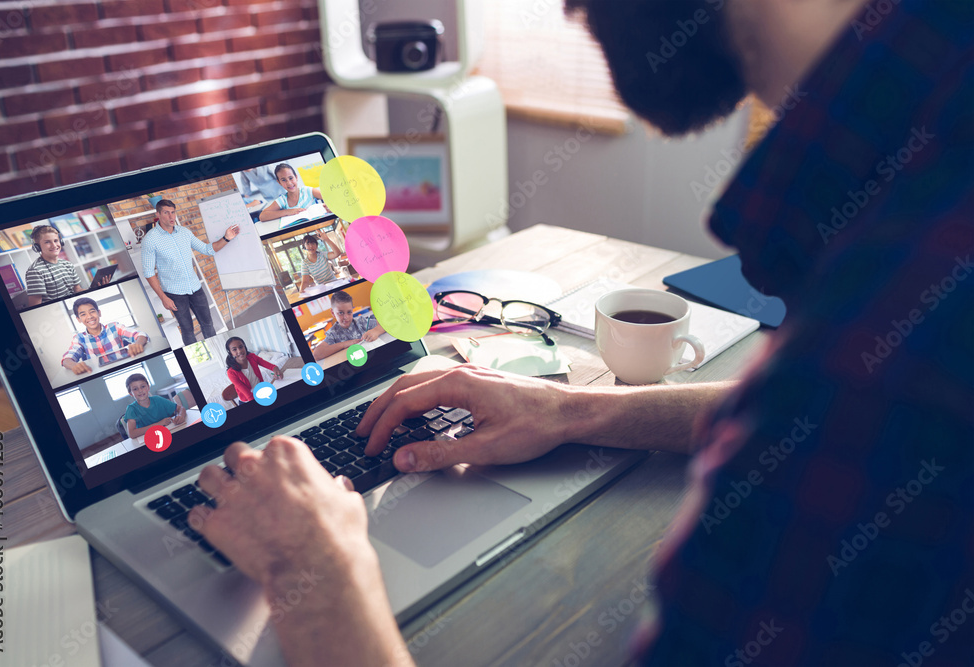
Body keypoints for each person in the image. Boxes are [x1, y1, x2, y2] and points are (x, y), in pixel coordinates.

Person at [187, 1, 973, 665]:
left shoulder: (882, 343)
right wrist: (578, 411)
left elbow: (838, 411)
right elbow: (809, 424)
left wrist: (313, 574)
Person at [141, 199, 239, 346]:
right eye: (166, 213)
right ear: (158, 214)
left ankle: (218, 348)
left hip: (195, 288)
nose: (171, 216)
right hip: (174, 294)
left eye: (173, 212)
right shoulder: (150, 239)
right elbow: (148, 272)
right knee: (187, 331)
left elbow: (207, 250)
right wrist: (163, 297)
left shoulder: (185, 232)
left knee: (208, 325)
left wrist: (227, 238)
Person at [62, 297, 149, 375]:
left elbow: (141, 335)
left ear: (99, 313)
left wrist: (138, 344)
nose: (89, 317)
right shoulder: (79, 338)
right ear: (78, 319)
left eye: (92, 311)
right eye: (83, 314)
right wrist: (74, 366)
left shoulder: (114, 327)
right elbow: (67, 359)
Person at [310, 291, 385, 361]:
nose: (346, 317)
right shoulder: (333, 333)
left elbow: (386, 324)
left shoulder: (361, 322)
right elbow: (316, 354)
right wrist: (344, 344)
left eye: (349, 312)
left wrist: (376, 331)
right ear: (333, 313)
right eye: (341, 313)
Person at [24, 225, 84, 306]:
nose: (54, 245)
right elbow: (35, 306)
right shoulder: (35, 271)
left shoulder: (68, 264)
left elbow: (77, 290)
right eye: (47, 242)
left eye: (56, 241)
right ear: (37, 247)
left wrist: (95, 288)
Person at [224, 336, 284, 403]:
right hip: (247, 400)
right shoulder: (231, 372)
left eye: (241, 347)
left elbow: (270, 366)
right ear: (230, 353)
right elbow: (248, 395)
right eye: (234, 349)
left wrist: (276, 370)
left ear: (245, 347)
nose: (239, 351)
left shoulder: (252, 357)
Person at [123, 373, 184, 439]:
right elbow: (132, 434)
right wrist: (158, 424)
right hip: (150, 439)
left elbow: (180, 408)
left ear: (148, 387)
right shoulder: (131, 409)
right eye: (135, 389)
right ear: (131, 394)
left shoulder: (158, 399)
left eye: (143, 386)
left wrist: (181, 415)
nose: (140, 391)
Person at [257, 163, 325, 222]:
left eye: (291, 178)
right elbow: (262, 216)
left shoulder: (307, 190)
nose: (289, 183)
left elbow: (330, 197)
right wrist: (288, 212)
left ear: (296, 177)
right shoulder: (282, 200)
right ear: (279, 182)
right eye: (283, 180)